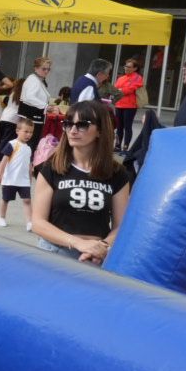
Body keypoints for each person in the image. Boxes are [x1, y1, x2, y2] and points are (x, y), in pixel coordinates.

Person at [30, 99, 131, 264]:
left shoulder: (117, 173)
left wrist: (102, 247)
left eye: (82, 125)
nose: (73, 130)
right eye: (68, 124)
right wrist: (79, 243)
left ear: (100, 130)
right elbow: (38, 223)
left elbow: (121, 227)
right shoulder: (51, 167)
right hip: (54, 252)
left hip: (95, 257)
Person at [0, 116, 36, 230]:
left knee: (27, 200)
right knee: (5, 199)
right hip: (10, 179)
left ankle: (29, 222)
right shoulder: (12, 144)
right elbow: (4, 161)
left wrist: (29, 177)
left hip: (23, 180)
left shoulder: (29, 148)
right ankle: (2, 217)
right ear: (18, 131)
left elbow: (29, 164)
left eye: (31, 132)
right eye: (26, 131)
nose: (29, 134)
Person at [113, 56, 145, 150]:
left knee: (127, 127)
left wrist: (120, 90)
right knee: (119, 127)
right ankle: (117, 146)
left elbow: (130, 89)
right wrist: (120, 90)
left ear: (135, 68)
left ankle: (126, 147)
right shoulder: (121, 78)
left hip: (130, 106)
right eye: (125, 66)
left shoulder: (137, 77)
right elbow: (115, 88)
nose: (126, 68)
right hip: (119, 104)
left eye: (129, 67)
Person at [20, 56, 53, 144]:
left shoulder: (37, 80)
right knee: (31, 143)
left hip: (34, 117)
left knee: (32, 143)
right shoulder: (33, 80)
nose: (46, 71)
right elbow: (29, 97)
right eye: (44, 69)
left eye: (48, 69)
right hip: (32, 117)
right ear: (36, 68)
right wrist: (46, 106)